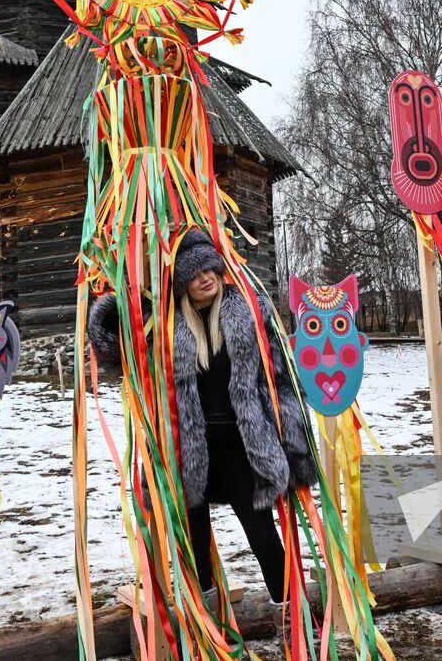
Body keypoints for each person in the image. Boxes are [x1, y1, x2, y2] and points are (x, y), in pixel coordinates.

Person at [88, 228, 316, 604]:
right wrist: (113, 307)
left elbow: (281, 380)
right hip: (189, 449)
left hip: (243, 449)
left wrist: (294, 446)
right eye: (194, 274)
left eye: (209, 268)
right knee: (195, 545)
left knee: (262, 537)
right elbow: (116, 352)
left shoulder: (251, 314)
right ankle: (207, 627)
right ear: (181, 283)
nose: (205, 278)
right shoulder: (166, 324)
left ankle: (292, 621)